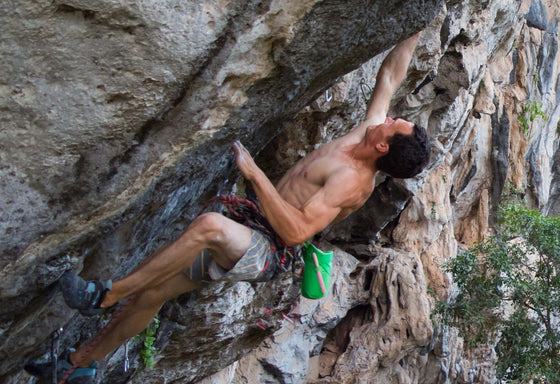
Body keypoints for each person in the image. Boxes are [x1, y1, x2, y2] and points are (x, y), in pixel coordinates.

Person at [32, 32, 429, 384]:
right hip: (253, 226)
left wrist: (255, 175)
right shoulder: (367, 132)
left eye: (395, 124)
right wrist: (418, 24)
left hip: (267, 250)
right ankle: (80, 365)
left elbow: (295, 232)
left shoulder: (352, 182)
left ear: (383, 146)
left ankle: (104, 296)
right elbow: (390, 77)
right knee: (151, 295)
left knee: (208, 225)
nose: (391, 117)